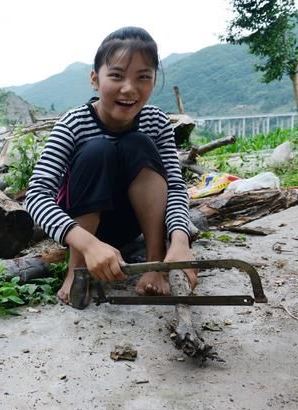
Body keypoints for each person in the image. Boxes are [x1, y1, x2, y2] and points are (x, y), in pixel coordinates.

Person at [24, 26, 196, 305]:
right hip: (80, 230)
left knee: (138, 144)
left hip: (133, 222)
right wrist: (87, 244)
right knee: (98, 149)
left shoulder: (157, 122)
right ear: (95, 79)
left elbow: (175, 187)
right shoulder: (73, 124)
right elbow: (36, 196)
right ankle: (77, 269)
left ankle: (155, 263)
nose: (129, 88)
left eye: (143, 77)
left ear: (154, 81)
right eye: (116, 76)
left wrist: (179, 241)